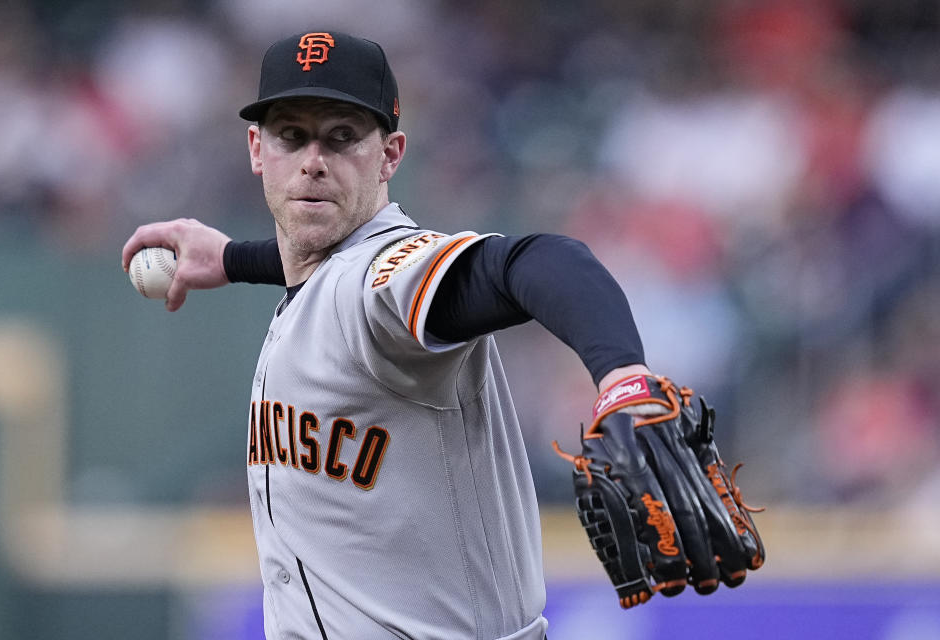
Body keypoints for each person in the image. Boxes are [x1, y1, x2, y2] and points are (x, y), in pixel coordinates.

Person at [122, 31, 654, 639]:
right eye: (291, 136)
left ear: (391, 154)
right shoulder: (325, 280)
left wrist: (621, 378)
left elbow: (540, 263)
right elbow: (319, 265)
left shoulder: (386, 278)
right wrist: (235, 259)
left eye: (342, 137)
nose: (313, 159)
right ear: (256, 148)